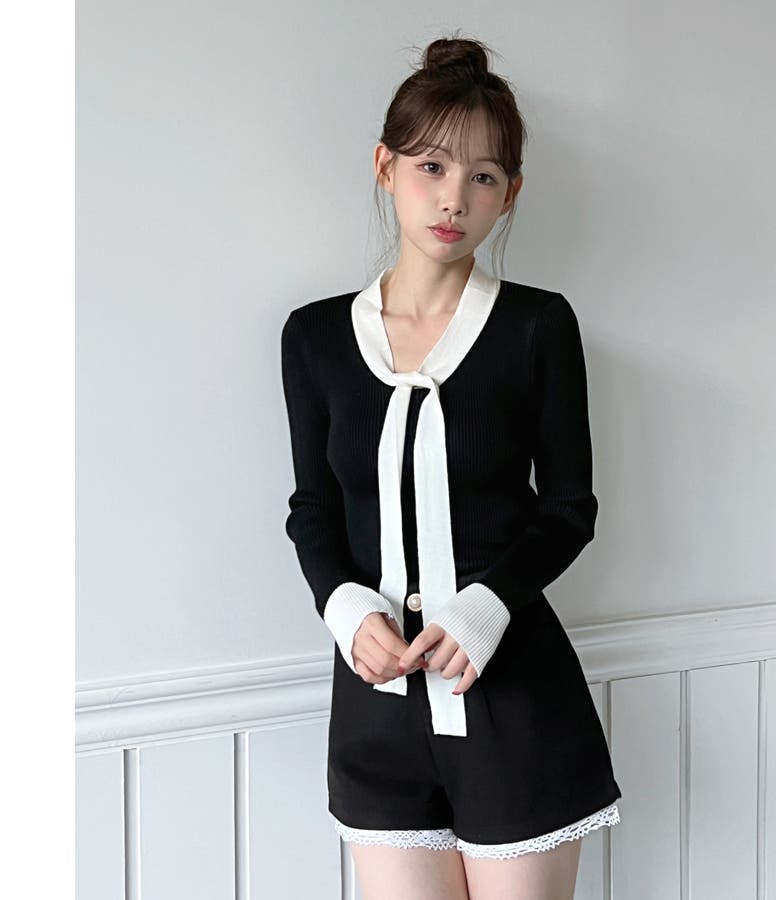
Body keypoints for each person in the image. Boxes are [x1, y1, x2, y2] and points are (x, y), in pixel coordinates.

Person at [281, 34, 622, 900]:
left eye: (483, 176)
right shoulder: (315, 338)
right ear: (385, 167)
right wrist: (344, 606)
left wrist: (483, 607)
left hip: (514, 697)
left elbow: (569, 508)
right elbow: (312, 507)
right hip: (375, 708)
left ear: (510, 193)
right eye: (431, 166)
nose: (453, 198)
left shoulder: (538, 328)